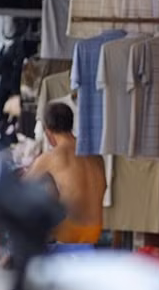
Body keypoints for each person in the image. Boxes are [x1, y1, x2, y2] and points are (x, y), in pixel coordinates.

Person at [25, 102, 105, 246]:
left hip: (70, 234)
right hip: (95, 232)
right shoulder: (95, 155)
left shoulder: (51, 157)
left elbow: (21, 187)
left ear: (47, 131)